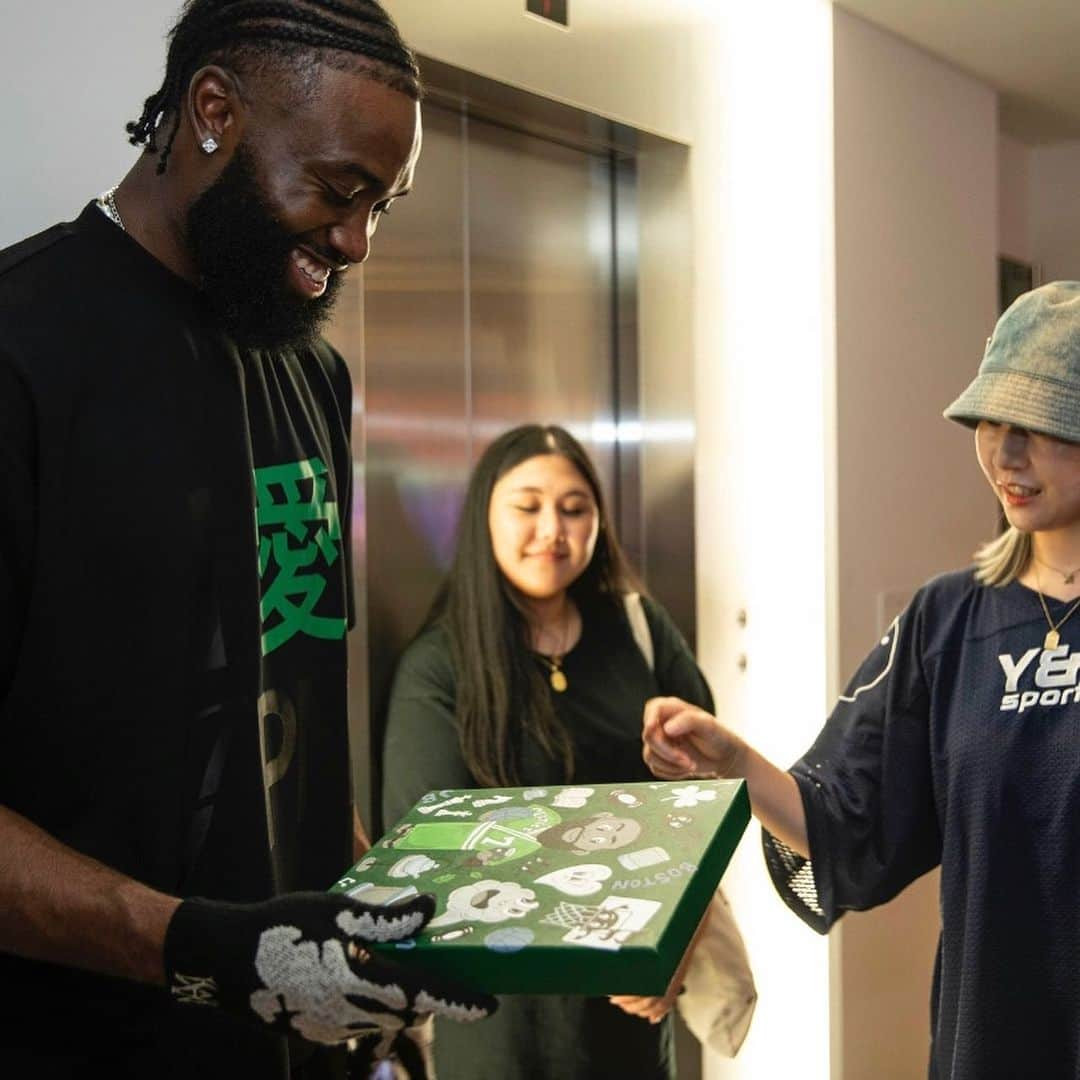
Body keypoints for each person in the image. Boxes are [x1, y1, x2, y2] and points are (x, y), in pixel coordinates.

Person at [0, 3, 496, 1078]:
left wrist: (371, 951)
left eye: (384, 205)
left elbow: (293, 710)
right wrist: (195, 947)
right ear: (213, 111)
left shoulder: (312, 375)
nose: (358, 240)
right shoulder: (23, 352)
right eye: (336, 189)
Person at [643, 280, 1080, 1078]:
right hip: (993, 1045)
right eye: (991, 424)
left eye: (1038, 428)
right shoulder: (947, 623)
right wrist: (734, 762)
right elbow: (847, 818)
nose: (1005, 455)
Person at [382, 423, 749, 1080]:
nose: (552, 528)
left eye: (574, 509)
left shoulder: (638, 629)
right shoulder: (439, 669)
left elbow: (706, 811)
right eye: (527, 507)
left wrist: (675, 950)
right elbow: (425, 862)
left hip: (633, 1022)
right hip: (499, 1032)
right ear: (484, 518)